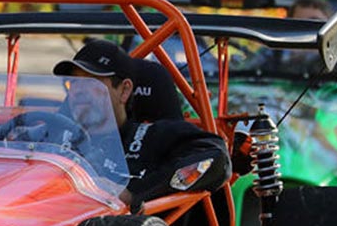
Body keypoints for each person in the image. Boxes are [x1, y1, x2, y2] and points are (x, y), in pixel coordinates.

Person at [54, 39, 231, 208]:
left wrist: (135, 194)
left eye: (92, 82)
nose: (78, 91)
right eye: (74, 82)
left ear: (124, 90)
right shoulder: (51, 138)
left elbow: (216, 158)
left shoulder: (156, 137)